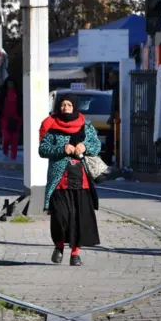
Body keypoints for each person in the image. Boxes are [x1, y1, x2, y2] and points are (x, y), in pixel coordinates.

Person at [38, 93, 102, 266]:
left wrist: (85, 146)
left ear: (74, 106)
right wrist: (62, 148)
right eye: (62, 105)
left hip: (81, 181)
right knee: (60, 217)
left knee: (79, 219)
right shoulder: (51, 125)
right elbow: (43, 149)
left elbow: (96, 146)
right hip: (59, 181)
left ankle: (75, 254)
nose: (65, 108)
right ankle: (59, 247)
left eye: (69, 105)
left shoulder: (86, 126)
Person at [0, 77, 22, 161]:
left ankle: (13, 156)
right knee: (6, 137)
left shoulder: (18, 93)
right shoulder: (3, 93)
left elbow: (21, 105)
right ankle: (5, 151)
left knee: (15, 138)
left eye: (11, 83)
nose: (10, 85)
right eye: (9, 83)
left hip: (16, 118)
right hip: (5, 118)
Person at [105, 70, 119, 165]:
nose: (109, 79)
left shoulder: (117, 88)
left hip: (116, 120)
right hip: (115, 119)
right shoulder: (115, 88)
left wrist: (111, 118)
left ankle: (109, 160)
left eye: (111, 77)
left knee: (111, 140)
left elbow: (115, 105)